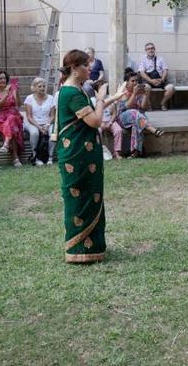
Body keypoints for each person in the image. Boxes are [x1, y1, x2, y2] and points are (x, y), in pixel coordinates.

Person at [56, 49, 121, 263]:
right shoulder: (70, 93)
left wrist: (116, 97)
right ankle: (78, 249)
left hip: (84, 153)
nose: (90, 68)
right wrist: (101, 98)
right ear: (74, 69)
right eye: (85, 65)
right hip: (78, 156)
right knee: (80, 199)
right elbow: (95, 121)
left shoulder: (74, 90)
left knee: (88, 196)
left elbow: (91, 110)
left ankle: (90, 247)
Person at [110, 68, 163, 158]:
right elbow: (126, 107)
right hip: (122, 119)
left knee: (137, 124)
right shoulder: (122, 92)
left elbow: (143, 108)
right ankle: (151, 128)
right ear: (126, 82)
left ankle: (135, 152)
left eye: (136, 81)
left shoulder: (140, 91)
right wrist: (134, 94)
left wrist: (146, 96)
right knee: (134, 112)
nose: (135, 83)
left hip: (137, 118)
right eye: (132, 81)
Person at [0, 70, 25, 167]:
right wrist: (5, 94)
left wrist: (16, 92)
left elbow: (18, 105)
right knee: (11, 126)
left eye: (4, 78)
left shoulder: (12, 91)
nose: (3, 80)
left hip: (15, 117)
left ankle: (6, 144)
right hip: (0, 120)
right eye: (0, 78)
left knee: (12, 118)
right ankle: (15, 158)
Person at [24, 77, 57, 166]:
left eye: (44, 86)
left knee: (53, 133)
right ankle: (36, 157)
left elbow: (52, 115)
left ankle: (50, 157)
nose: (42, 88)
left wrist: (47, 125)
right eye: (39, 86)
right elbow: (29, 117)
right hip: (32, 123)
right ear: (34, 88)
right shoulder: (29, 98)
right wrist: (39, 127)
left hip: (47, 122)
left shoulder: (51, 98)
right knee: (35, 133)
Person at [138, 42, 175, 110]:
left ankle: (163, 103)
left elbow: (165, 70)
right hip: (148, 80)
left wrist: (162, 79)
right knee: (146, 88)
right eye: (148, 49)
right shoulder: (143, 60)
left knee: (171, 88)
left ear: (154, 49)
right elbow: (141, 72)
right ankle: (149, 105)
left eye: (152, 48)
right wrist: (151, 81)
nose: (150, 50)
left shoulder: (160, 59)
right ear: (146, 51)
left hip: (160, 80)